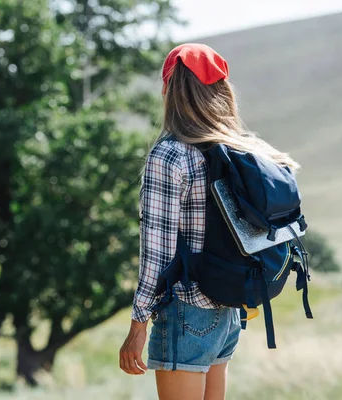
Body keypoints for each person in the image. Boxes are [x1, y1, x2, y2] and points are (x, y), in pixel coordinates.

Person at [119, 43, 299, 400]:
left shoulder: (169, 154)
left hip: (186, 310)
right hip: (227, 311)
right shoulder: (239, 147)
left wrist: (137, 326)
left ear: (169, 90)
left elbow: (157, 253)